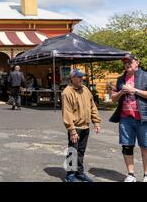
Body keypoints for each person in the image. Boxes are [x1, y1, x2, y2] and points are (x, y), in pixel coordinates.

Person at [110, 54, 147, 182]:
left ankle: (146, 174)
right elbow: (113, 99)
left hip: (143, 118)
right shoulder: (120, 79)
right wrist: (122, 92)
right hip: (125, 118)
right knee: (127, 146)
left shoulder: (145, 76)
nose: (127, 64)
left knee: (145, 146)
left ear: (137, 62)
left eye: (130, 62)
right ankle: (131, 174)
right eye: (125, 62)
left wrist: (134, 90)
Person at [62, 68, 101, 182]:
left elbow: (92, 106)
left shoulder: (85, 89)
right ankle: (70, 174)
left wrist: (96, 122)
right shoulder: (67, 92)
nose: (81, 79)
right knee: (72, 151)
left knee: (81, 151)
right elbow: (67, 113)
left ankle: (79, 172)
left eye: (81, 77)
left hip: (85, 127)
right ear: (72, 78)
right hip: (75, 128)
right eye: (78, 77)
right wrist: (72, 131)